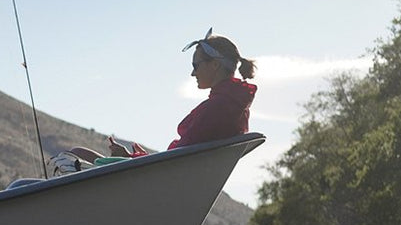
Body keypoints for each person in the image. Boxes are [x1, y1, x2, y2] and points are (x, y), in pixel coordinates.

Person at [54, 29, 257, 174]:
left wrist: (131, 160)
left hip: (160, 183)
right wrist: (132, 157)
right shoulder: (235, 107)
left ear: (214, 65)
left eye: (196, 65)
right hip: (169, 179)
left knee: (75, 154)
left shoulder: (217, 108)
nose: (193, 72)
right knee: (78, 154)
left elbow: (174, 164)